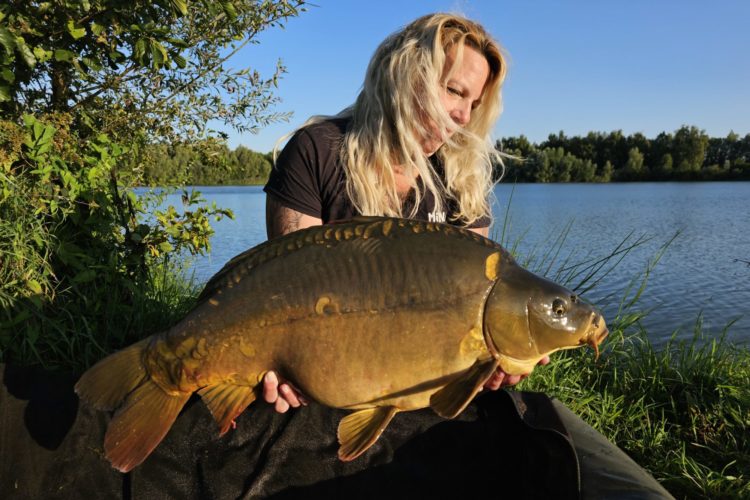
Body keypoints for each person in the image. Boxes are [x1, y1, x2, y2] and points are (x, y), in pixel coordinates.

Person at [261, 13, 674, 499]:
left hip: (428, 394)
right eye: (455, 92)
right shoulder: (319, 151)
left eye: (473, 103)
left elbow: (492, 299)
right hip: (327, 384)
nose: (463, 116)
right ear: (404, 74)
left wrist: (506, 356)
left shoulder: (457, 178)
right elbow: (281, 290)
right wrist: (275, 361)